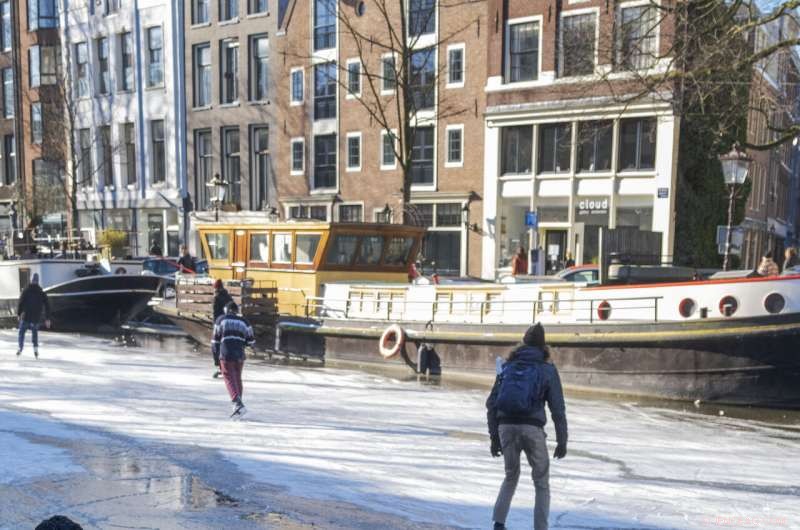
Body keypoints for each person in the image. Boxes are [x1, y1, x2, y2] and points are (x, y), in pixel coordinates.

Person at [486, 323, 568, 530]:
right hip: (532, 429)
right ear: (543, 346)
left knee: (511, 475)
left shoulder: (506, 367)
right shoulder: (547, 369)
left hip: (506, 427)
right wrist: (562, 440)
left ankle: (498, 523)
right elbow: (557, 408)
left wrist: (494, 437)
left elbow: (492, 403)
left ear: (523, 343)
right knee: (541, 482)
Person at [212, 301, 255, 418]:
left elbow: (215, 341)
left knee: (228, 377)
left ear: (226, 310)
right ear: (237, 311)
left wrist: (216, 359)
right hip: (240, 354)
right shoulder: (245, 322)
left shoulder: (220, 320)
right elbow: (251, 341)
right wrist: (242, 341)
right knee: (237, 378)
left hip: (226, 353)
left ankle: (237, 403)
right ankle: (239, 403)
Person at [17, 273, 51, 358]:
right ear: (38, 281)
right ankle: (35, 350)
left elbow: (20, 302)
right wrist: (47, 318)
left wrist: (18, 313)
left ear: (31, 280)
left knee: (21, 333)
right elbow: (47, 305)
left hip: (26, 317)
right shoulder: (41, 292)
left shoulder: (26, 290)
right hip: (36, 318)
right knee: (34, 334)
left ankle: (20, 348)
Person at [211, 279, 234, 378]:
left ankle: (221, 367)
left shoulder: (216, 298)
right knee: (227, 346)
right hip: (229, 324)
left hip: (220, 324)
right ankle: (229, 367)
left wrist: (215, 325)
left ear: (215, 288)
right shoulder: (228, 296)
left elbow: (215, 313)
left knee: (216, 346)